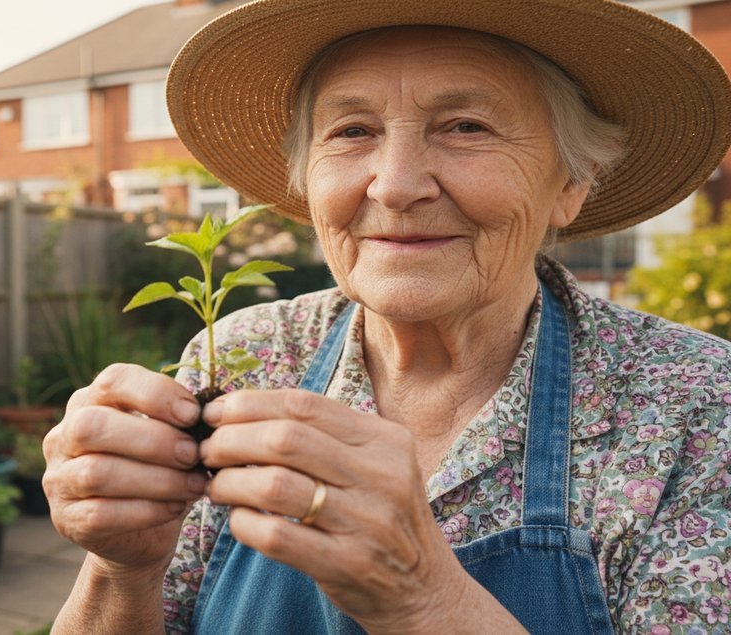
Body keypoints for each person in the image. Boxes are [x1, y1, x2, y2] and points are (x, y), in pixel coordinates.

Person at [42, 1, 731, 632]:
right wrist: (120, 568)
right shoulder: (249, 357)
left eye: (467, 127)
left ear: (572, 182)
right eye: (352, 130)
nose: (397, 185)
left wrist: (428, 599)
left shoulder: (694, 402)